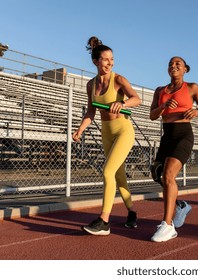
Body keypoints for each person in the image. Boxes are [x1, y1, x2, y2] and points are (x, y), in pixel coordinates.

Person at [72, 36, 141, 235]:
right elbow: (91, 112)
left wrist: (123, 103)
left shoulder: (118, 79)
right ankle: (132, 213)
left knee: (107, 173)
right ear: (95, 61)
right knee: (118, 175)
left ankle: (104, 221)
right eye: (105, 59)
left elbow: (137, 99)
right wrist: (80, 130)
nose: (110, 62)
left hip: (123, 131)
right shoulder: (90, 85)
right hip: (106, 133)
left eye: (112, 59)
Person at [149, 56, 198, 242]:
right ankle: (180, 205)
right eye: (170, 64)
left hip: (184, 135)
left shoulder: (192, 88)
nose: (173, 66)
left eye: (178, 64)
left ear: (185, 69)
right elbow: (152, 115)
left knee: (169, 175)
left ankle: (168, 225)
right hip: (167, 135)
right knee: (157, 173)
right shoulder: (160, 90)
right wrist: (163, 106)